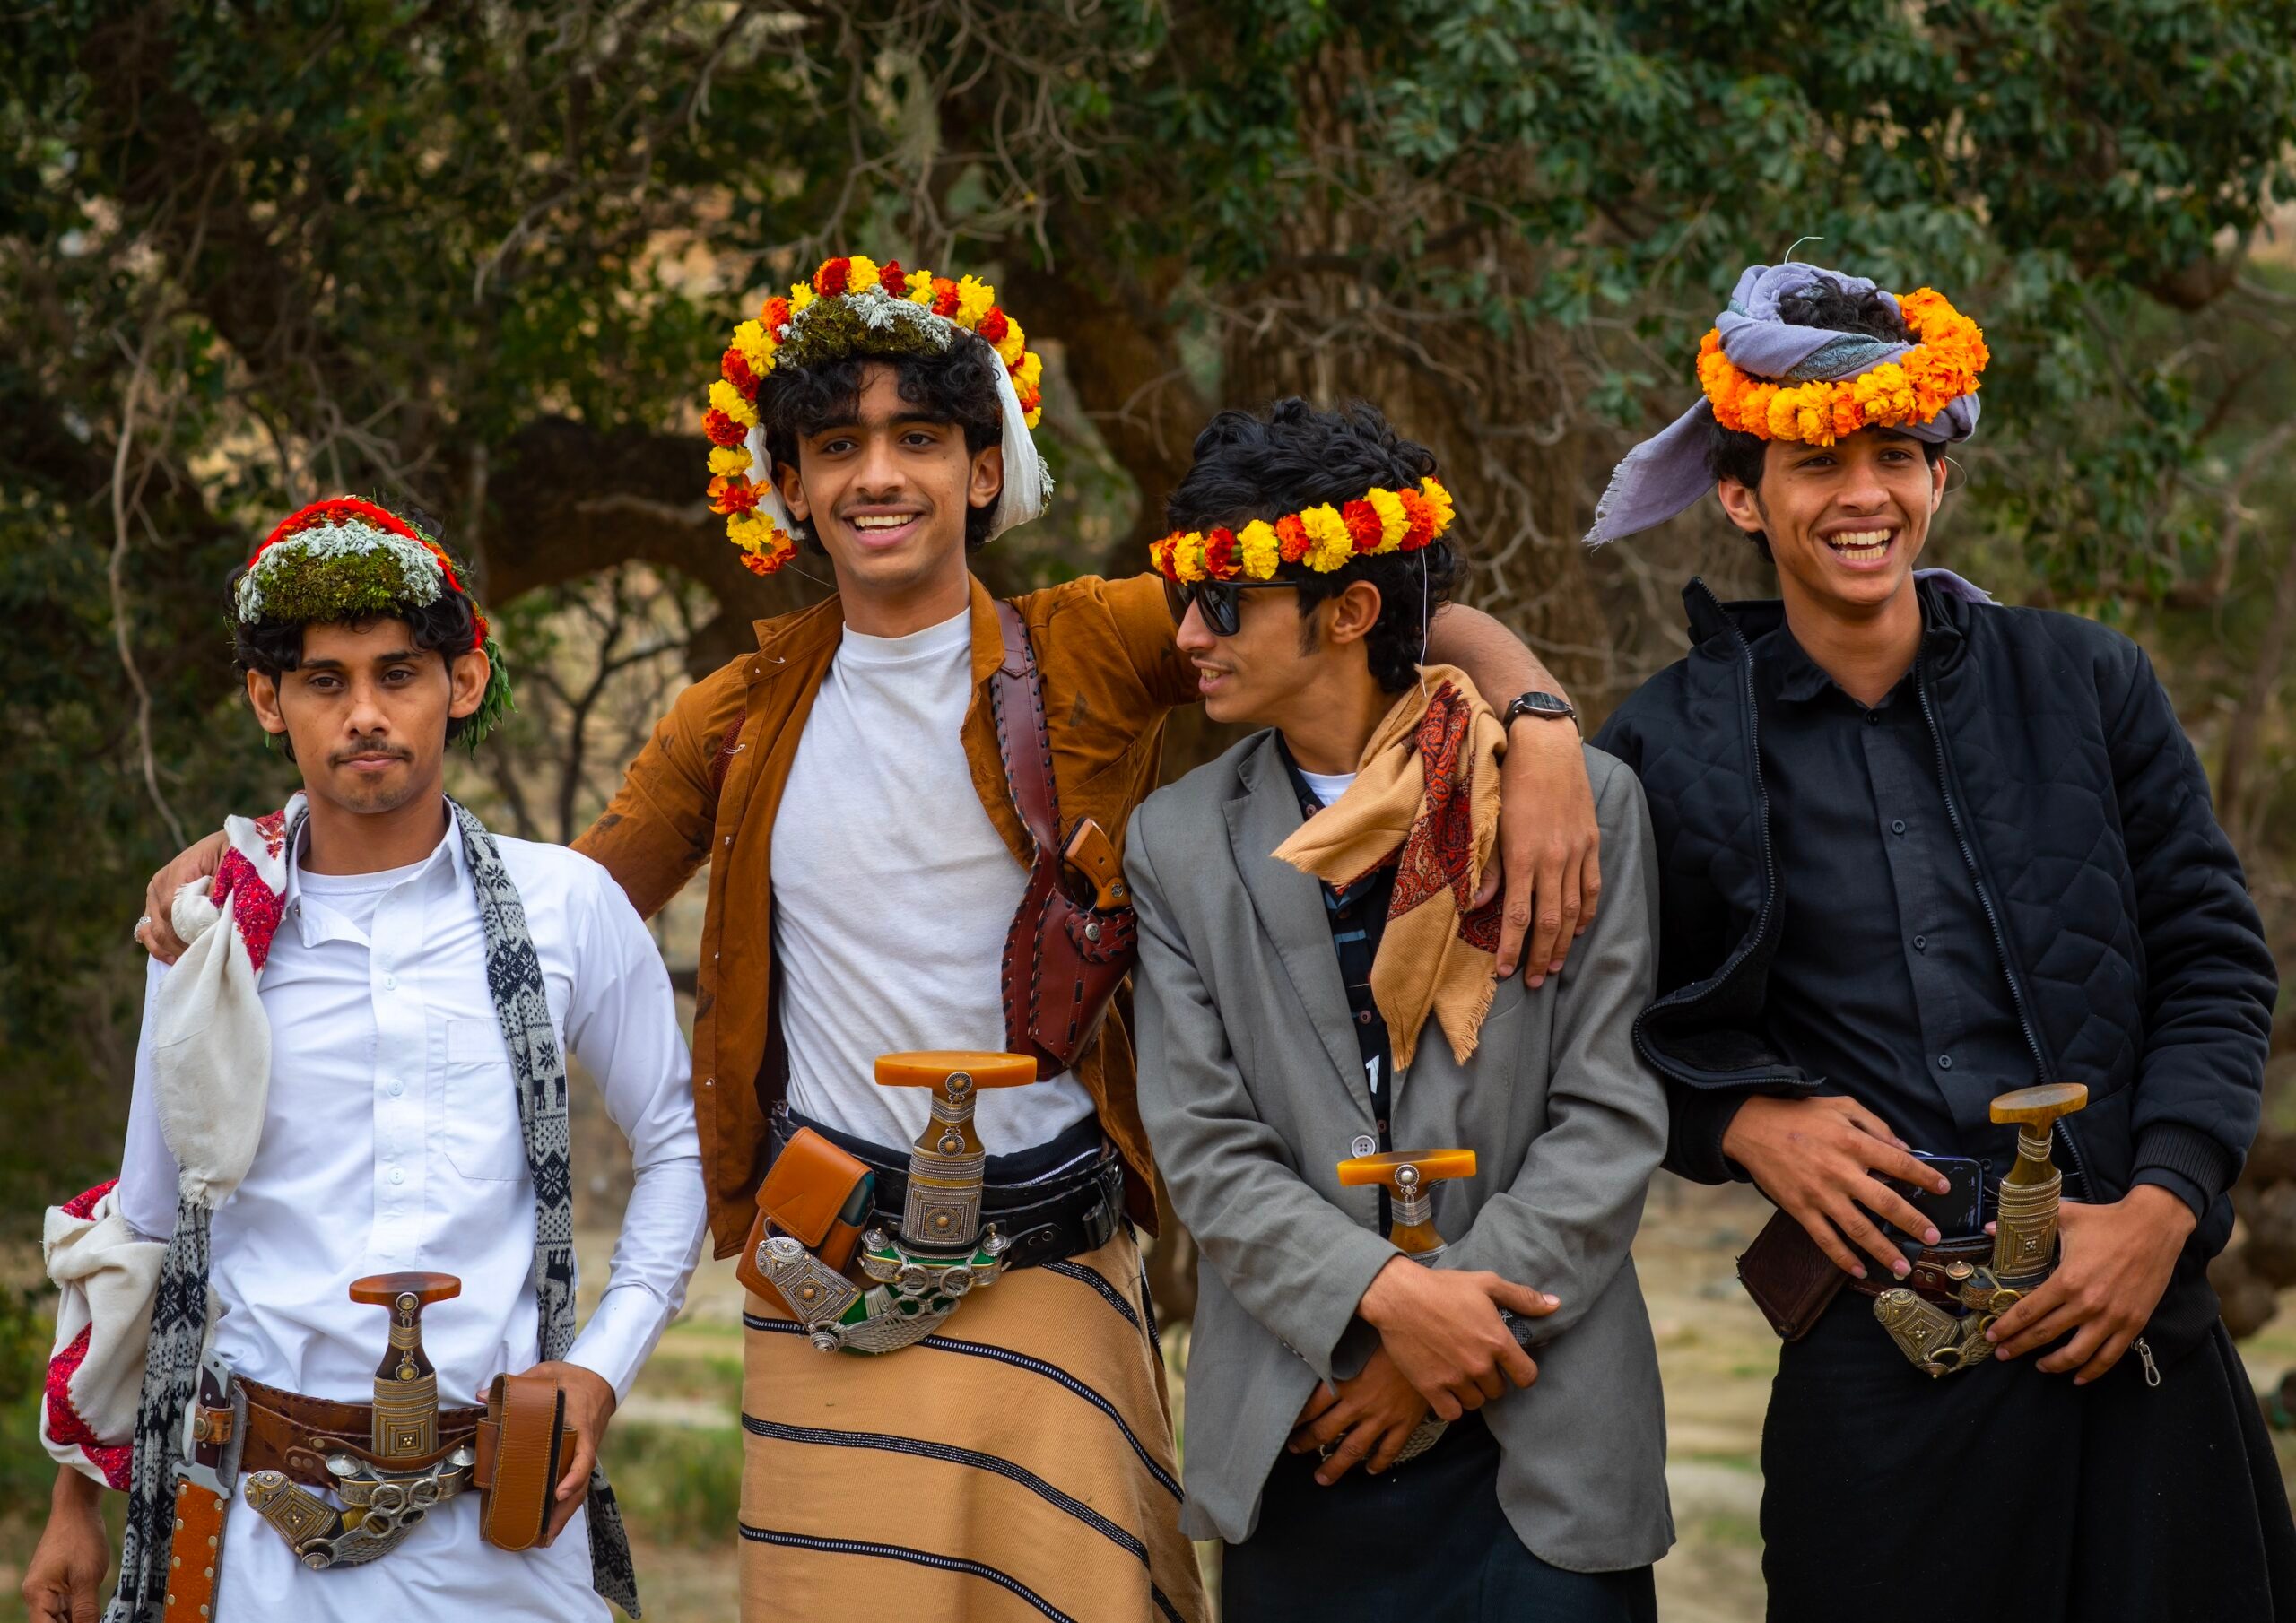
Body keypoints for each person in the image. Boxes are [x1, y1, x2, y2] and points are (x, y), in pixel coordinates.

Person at [134, 256, 1602, 1621]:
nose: (878, 474)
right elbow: (530, 911)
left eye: (916, 439)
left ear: (983, 468)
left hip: (1054, 1272)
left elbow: (1381, 606)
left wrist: (1534, 727)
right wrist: (270, 853)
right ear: (783, 485)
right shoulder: (735, 716)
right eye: (836, 446)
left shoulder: (1091, 645)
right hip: (823, 1296)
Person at [1591, 260, 2296, 1620]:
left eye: (1898, 452)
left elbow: (2216, 960)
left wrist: (2163, 1211)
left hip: (2137, 1311)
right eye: (1817, 460)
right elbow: (1604, 1030)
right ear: (1742, 496)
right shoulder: (1666, 747)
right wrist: (1740, 1117)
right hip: (1888, 1345)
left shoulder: (2089, 681)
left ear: (1940, 477)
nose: (1865, 493)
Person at [24, 498, 706, 1623]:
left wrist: (602, 1363)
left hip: (504, 1529)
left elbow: (677, 1146)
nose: (366, 715)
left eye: (399, 673)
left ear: (465, 682)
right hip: (255, 1530)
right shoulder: (205, 933)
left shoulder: (565, 907)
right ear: (267, 699)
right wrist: (75, 1502)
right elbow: (142, 1229)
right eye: (325, 681)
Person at [1126, 399, 1672, 1622]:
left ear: (1350, 608)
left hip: (1546, 1430)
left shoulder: (1581, 808)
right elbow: (1204, 1148)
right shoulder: (1174, 844)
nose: (1187, 634)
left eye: (1225, 599)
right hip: (1306, 1419)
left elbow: (1612, 1113)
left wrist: (1444, 1354)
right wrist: (1387, 1305)